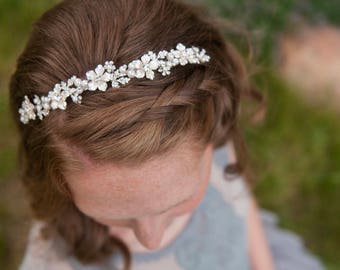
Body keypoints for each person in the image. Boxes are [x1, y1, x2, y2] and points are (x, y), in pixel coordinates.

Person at [8, 0, 326, 269]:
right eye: (116, 217)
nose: (151, 237)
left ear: (212, 128)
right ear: (56, 180)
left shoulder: (193, 127)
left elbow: (241, 203)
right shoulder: (53, 261)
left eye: (181, 202)